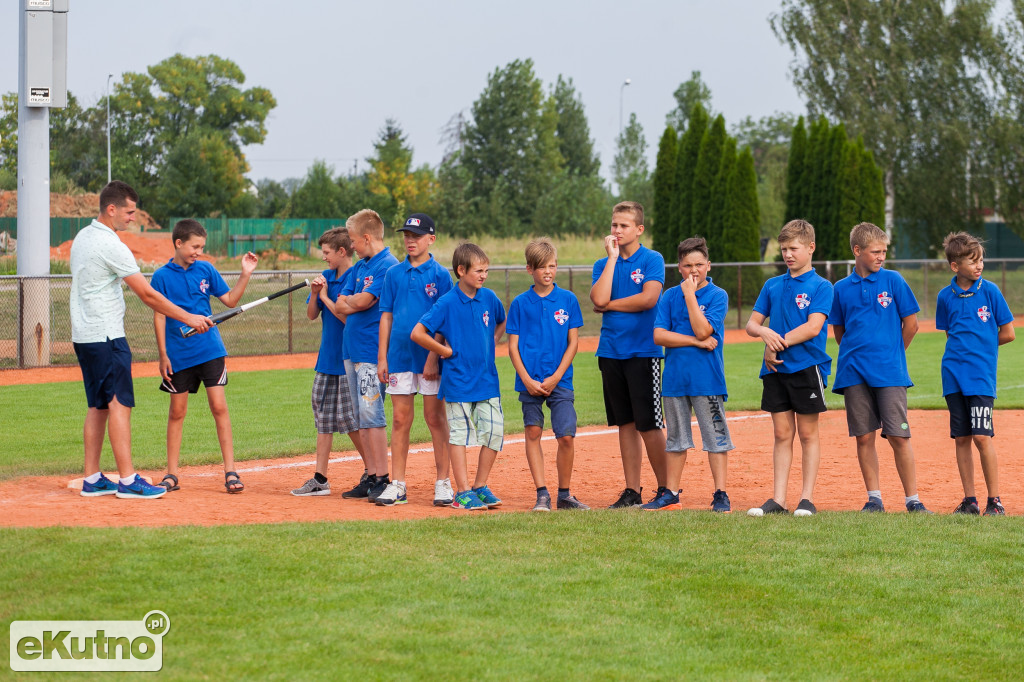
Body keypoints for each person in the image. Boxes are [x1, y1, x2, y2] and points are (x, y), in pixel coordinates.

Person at [73, 181, 212, 499]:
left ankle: (92, 478)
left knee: (98, 406)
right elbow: (148, 293)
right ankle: (127, 480)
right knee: (119, 403)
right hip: (106, 335)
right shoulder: (111, 244)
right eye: (130, 211)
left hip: (84, 335)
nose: (134, 218)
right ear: (112, 209)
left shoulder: (83, 237)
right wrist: (189, 317)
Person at [829, 222, 931, 513]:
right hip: (853, 372)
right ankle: (874, 498)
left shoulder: (894, 280)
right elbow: (839, 332)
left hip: (890, 371)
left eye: (884, 251)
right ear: (857, 251)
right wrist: (857, 354)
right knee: (864, 436)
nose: (881, 256)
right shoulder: (840, 289)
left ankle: (913, 500)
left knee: (899, 435)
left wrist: (892, 353)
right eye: (875, 251)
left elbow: (911, 325)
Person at [151, 220, 257, 494]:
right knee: (177, 412)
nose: (198, 251)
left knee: (219, 407)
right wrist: (163, 354)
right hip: (178, 354)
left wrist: (245, 273)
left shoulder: (206, 269)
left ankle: (230, 470)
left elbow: (231, 301)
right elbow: (159, 315)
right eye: (194, 246)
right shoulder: (161, 276)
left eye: (201, 247)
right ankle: (172, 474)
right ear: (178, 243)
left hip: (210, 350)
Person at [745, 219, 834, 517]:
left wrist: (775, 343)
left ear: (810, 248)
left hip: (807, 368)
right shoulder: (772, 285)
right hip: (775, 370)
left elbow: (813, 327)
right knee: (782, 434)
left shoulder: (822, 286)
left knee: (808, 434)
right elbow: (751, 324)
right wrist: (763, 335)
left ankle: (806, 499)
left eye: (793, 248)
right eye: (783, 249)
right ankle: (778, 500)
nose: (788, 254)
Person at [411, 243, 506, 511]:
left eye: (486, 270)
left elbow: (501, 320)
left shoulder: (488, 297)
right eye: (478, 270)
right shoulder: (447, 302)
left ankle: (480, 486)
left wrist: (492, 342)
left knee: (494, 433)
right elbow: (418, 333)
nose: (483, 275)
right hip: (458, 383)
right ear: (461, 271)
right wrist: (444, 351)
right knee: (460, 437)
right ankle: (462, 491)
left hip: (487, 380)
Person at [589, 201, 667, 508]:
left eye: (623, 225)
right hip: (610, 351)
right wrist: (611, 259)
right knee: (625, 423)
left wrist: (609, 305)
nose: (617, 230)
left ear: (639, 229)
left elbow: (649, 299)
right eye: (613, 225)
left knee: (648, 423)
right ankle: (632, 491)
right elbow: (597, 297)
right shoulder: (602, 264)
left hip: (644, 352)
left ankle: (666, 489)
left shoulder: (652, 259)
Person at [648, 237, 734, 512]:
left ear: (709, 265)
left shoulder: (717, 295)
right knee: (676, 439)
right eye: (687, 265)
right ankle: (671, 493)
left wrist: (689, 295)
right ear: (679, 267)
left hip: (706, 379)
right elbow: (659, 335)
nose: (694, 271)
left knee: (715, 438)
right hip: (674, 380)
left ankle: (720, 493)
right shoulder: (668, 295)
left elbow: (703, 329)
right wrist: (696, 343)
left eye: (699, 264)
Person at [374, 213, 454, 507]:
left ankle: (443, 482)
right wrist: (382, 357)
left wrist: (433, 357)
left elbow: (445, 320)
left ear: (431, 239)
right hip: (399, 356)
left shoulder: (441, 275)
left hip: (428, 359)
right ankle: (398, 485)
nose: (410, 240)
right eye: (406, 235)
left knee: (434, 418)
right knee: (399, 420)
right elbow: (386, 316)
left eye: (416, 236)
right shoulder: (393, 274)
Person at [936, 232, 1015, 515]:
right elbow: (950, 334)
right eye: (972, 261)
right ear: (955, 266)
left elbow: (1008, 333)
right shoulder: (944, 296)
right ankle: (970, 501)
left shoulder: (990, 291)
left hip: (980, 377)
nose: (979, 265)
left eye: (981, 259)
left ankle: (995, 501)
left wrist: (981, 345)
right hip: (952, 375)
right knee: (961, 438)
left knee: (982, 437)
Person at [507, 238, 588, 512]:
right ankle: (542, 494)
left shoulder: (568, 300)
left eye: (552, 266)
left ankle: (564, 494)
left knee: (566, 436)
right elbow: (513, 347)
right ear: (530, 269)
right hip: (529, 381)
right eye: (542, 267)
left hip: (560, 380)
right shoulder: (519, 303)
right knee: (533, 432)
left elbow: (574, 343)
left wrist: (556, 377)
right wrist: (527, 380)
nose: (548, 272)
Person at [332, 209, 399, 502]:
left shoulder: (388, 266)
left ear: (367, 237)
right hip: (351, 350)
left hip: (371, 352)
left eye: (354, 240)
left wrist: (353, 302)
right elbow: (341, 303)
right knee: (361, 416)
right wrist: (352, 302)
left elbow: (361, 301)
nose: (352, 245)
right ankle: (371, 475)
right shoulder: (359, 268)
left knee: (372, 413)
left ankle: (383, 477)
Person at [291, 227, 363, 497]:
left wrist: (324, 296)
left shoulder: (356, 278)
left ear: (342, 252)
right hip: (326, 358)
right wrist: (315, 293)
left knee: (350, 420)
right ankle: (320, 478)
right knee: (323, 418)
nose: (324, 258)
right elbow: (312, 315)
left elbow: (348, 319)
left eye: (327, 253)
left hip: (348, 357)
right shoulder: (327, 278)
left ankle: (375, 471)